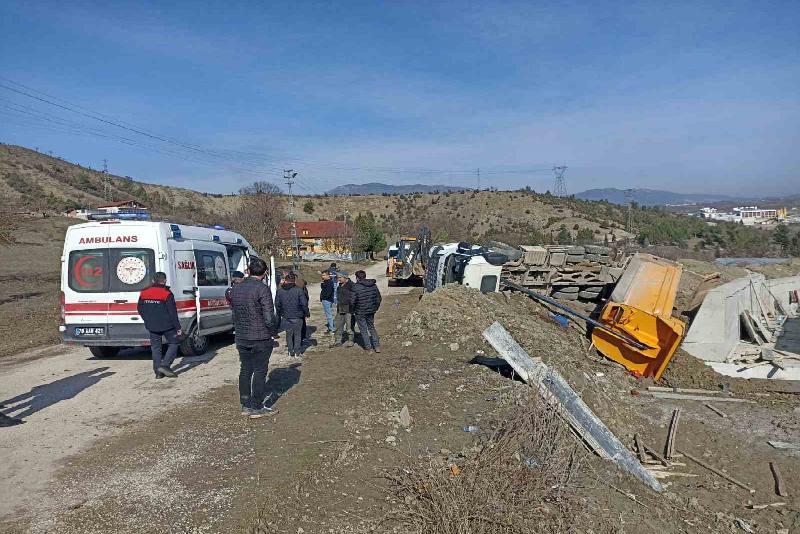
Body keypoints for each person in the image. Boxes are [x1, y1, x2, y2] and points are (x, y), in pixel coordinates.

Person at [229, 258, 277, 419]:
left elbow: (234, 313)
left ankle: (245, 404)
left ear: (248, 271)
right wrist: (273, 331)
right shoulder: (262, 289)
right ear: (264, 273)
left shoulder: (235, 288)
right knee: (260, 371)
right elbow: (269, 316)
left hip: (242, 336)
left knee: (245, 369)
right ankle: (257, 406)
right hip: (260, 336)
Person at [137, 272, 182, 379]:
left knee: (156, 348)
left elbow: (139, 308)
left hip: (151, 325)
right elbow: (172, 312)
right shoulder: (166, 293)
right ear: (165, 281)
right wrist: (178, 328)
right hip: (168, 326)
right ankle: (165, 365)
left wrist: (147, 320)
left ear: (153, 281)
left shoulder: (144, 292)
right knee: (174, 343)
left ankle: (158, 373)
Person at [274, 273, 309, 357]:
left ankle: (290, 351)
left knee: (288, 334)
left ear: (285, 281)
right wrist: (306, 313)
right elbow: (304, 304)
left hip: (286, 316)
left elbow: (277, 304)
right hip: (297, 316)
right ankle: (297, 351)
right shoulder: (299, 290)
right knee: (297, 334)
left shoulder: (280, 291)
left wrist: (281, 313)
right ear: (294, 281)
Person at [351, 269, 382, 353]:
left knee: (363, 330)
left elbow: (352, 301)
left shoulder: (355, 287)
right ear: (365, 276)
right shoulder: (373, 285)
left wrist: (353, 310)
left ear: (357, 278)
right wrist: (375, 308)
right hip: (371, 311)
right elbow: (379, 298)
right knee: (371, 328)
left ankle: (368, 348)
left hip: (360, 312)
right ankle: (377, 346)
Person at [332, 271, 355, 347]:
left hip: (349, 309)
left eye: (340, 277)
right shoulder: (340, 286)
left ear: (346, 277)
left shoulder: (352, 286)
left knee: (349, 326)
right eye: (338, 278)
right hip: (340, 308)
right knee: (338, 325)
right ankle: (338, 340)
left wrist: (352, 306)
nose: (338, 279)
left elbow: (353, 298)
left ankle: (350, 340)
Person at [294, 273, 311, 341]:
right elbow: (306, 295)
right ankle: (302, 336)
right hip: (301, 307)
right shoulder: (302, 283)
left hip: (294, 308)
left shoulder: (289, 285)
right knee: (302, 322)